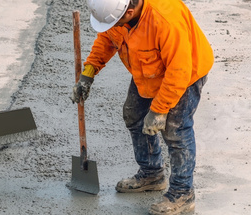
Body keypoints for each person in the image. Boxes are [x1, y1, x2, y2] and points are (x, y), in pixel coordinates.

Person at [71, 0, 213, 214]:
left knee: (176, 130)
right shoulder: (118, 15)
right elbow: (107, 38)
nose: (115, 26)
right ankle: (151, 174)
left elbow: (178, 71)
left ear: (130, 12)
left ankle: (182, 193)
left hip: (184, 74)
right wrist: (88, 73)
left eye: (118, 22)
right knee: (134, 115)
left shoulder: (165, 20)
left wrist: (159, 110)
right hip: (149, 69)